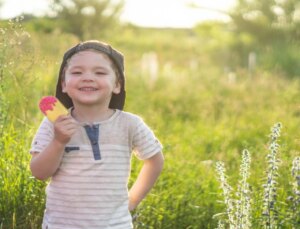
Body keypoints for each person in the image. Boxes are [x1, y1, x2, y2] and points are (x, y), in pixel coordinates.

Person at [29, 40, 164, 229]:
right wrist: (59, 141)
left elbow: (155, 161)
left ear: (117, 84)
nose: (87, 78)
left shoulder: (129, 124)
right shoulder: (54, 124)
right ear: (64, 84)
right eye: (77, 72)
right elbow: (39, 173)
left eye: (99, 72)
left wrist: (132, 200)